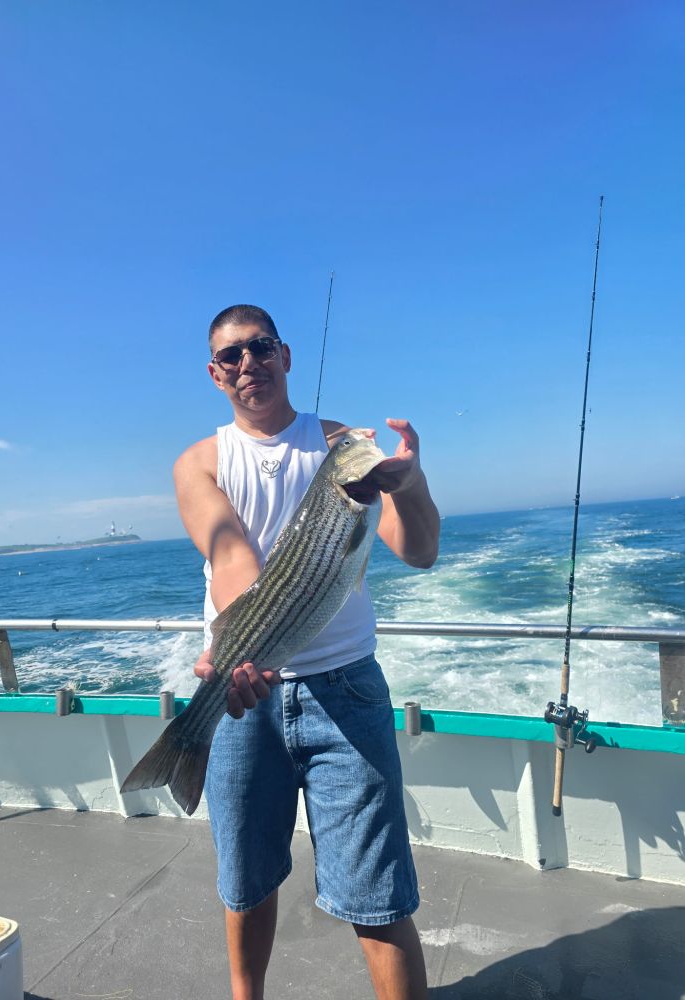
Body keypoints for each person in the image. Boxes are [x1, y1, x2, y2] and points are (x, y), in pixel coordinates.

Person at [173, 304, 440, 1000]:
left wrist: (409, 487)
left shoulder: (343, 446)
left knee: (378, 894)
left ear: (285, 356)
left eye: (260, 348)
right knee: (246, 882)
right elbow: (229, 551)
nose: (247, 364)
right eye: (230, 356)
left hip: (345, 694)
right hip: (239, 699)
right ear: (214, 373)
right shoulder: (199, 463)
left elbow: (418, 551)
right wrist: (241, 645)